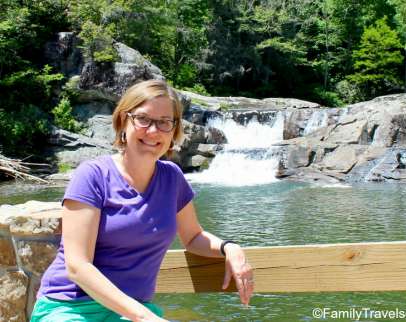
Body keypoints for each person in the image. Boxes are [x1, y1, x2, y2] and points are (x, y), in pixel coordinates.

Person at [31, 80, 254, 322]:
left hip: (132, 312)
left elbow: (192, 237)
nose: (153, 131)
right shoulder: (92, 175)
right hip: (70, 308)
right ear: (122, 122)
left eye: (164, 122)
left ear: (174, 130)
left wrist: (229, 247)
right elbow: (77, 266)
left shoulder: (172, 178)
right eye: (143, 119)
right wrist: (144, 317)